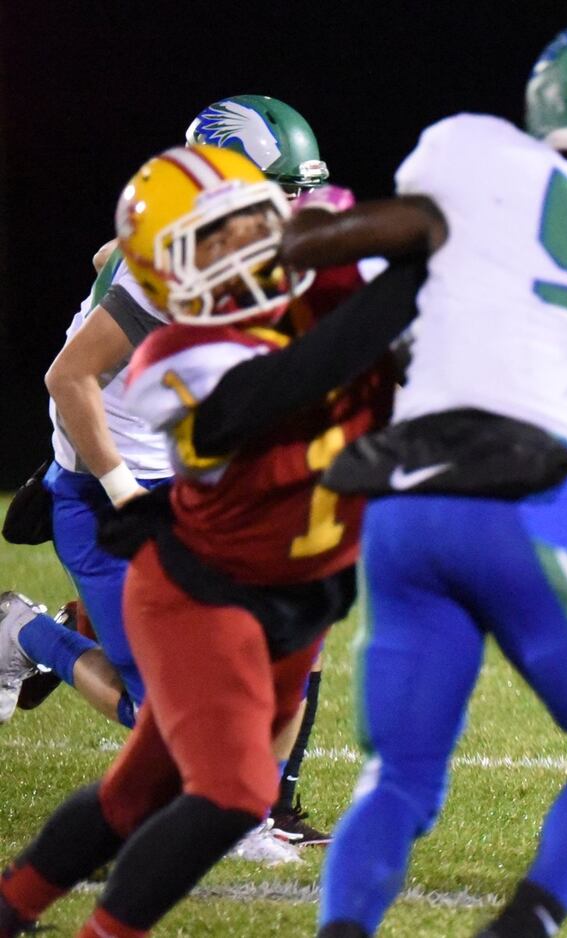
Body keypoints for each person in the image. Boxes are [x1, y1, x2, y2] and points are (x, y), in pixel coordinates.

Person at [287, 18, 567, 938]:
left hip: (403, 510)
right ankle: (522, 927)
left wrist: (291, 243)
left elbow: (373, 238)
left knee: (399, 776)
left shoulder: (470, 151)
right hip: (522, 504)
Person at [0, 144, 421, 938]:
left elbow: (378, 241)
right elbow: (320, 368)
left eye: (237, 228)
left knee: (135, 796)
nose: (233, 255)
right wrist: (408, 282)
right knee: (229, 792)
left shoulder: (307, 257)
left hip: (304, 588)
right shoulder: (184, 354)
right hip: (210, 587)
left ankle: (11, 905)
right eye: (202, 246)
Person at [0, 94, 339, 847]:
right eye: (282, 190)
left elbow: (107, 260)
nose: (297, 208)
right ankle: (27, 634)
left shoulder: (199, 245)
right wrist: (121, 490)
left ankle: (264, 811)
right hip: (108, 494)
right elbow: (66, 379)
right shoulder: (174, 266)